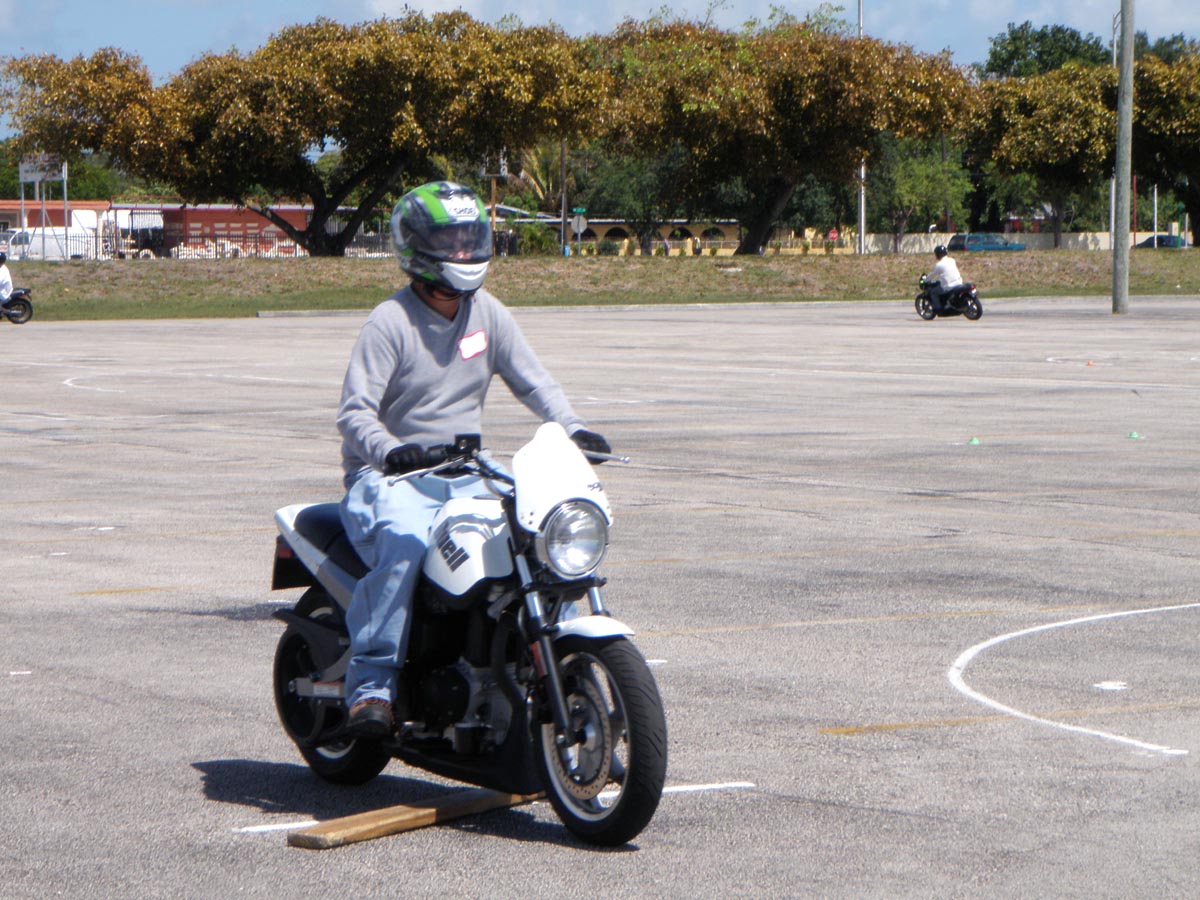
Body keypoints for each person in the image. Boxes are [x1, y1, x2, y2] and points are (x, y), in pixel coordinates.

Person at [335, 181, 610, 738]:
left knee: (541, 527)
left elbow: (535, 383)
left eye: (470, 238)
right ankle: (372, 686)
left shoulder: (487, 312)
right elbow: (354, 412)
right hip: (391, 477)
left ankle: (559, 654)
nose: (464, 250)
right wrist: (390, 450)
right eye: (450, 240)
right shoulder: (390, 321)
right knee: (405, 545)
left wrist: (573, 428)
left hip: (465, 469)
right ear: (416, 246)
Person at [925, 244, 963, 313]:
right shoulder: (952, 260)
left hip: (949, 286)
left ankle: (938, 308)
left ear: (937, 254)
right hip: (959, 283)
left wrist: (926, 280)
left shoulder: (938, 265)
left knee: (933, 292)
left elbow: (932, 275)